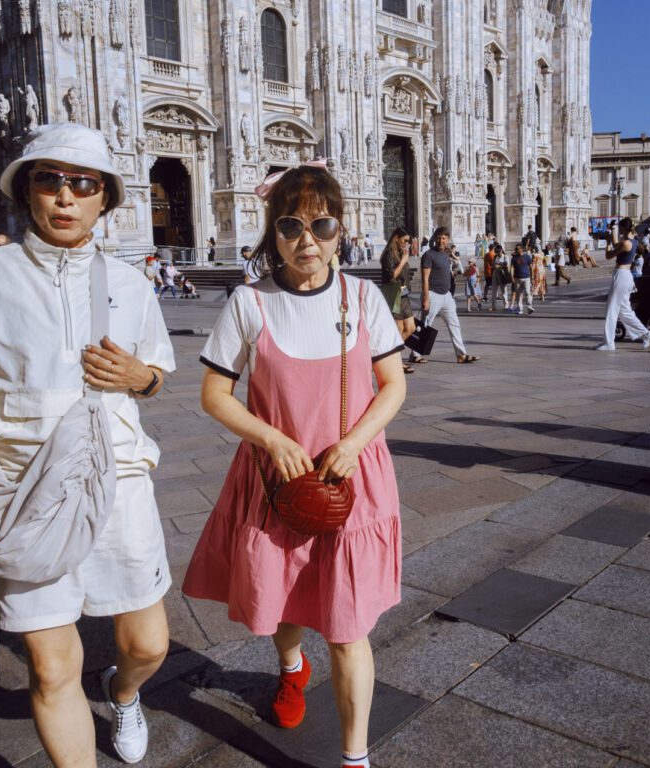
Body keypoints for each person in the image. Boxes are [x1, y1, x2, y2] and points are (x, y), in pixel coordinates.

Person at [0, 123, 176, 766]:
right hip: (16, 479)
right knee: (52, 667)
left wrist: (143, 379)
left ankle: (122, 690)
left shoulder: (132, 283)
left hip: (117, 477)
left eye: (82, 183)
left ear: (105, 199)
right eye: (48, 179)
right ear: (26, 191)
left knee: (148, 644)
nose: (65, 196)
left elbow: (156, 373)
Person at [182, 163, 406, 768]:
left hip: (350, 479)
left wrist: (356, 441)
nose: (307, 239)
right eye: (291, 225)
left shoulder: (363, 298)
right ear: (273, 232)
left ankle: (355, 758)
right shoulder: (249, 303)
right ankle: (289, 667)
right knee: (283, 603)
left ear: (340, 229)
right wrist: (271, 439)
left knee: (347, 625)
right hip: (273, 480)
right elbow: (214, 394)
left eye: (321, 224)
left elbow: (392, 385)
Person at [410, 226, 478, 364]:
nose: (441, 240)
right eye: (439, 238)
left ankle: (461, 355)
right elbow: (425, 278)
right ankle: (415, 354)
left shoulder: (445, 255)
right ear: (435, 239)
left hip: (446, 296)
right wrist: (425, 297)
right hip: (433, 294)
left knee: (454, 324)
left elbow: (448, 272)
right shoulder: (428, 255)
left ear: (447, 239)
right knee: (424, 324)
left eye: (444, 238)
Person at [596, 217, 650, 351]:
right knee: (625, 311)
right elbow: (617, 244)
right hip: (626, 276)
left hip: (621, 275)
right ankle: (646, 334)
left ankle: (609, 342)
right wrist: (611, 236)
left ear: (624, 228)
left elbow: (609, 255)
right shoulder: (633, 240)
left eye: (620, 228)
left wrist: (607, 242)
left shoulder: (626, 243)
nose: (619, 230)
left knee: (611, 309)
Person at [379, 226, 416, 374]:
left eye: (408, 241)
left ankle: (391, 356)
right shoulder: (388, 254)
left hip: (404, 293)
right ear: (396, 238)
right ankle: (396, 361)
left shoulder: (401, 252)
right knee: (399, 329)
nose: (406, 243)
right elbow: (391, 276)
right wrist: (403, 262)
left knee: (411, 328)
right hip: (393, 293)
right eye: (404, 240)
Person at [510, 243, 534, 315]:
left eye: (517, 249)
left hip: (526, 277)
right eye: (516, 249)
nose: (516, 250)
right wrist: (511, 277)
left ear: (521, 249)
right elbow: (511, 267)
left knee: (527, 292)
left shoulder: (527, 257)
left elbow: (531, 267)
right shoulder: (514, 258)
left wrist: (532, 277)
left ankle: (529, 307)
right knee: (518, 294)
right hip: (517, 278)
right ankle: (520, 309)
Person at [491, 245, 512, 311]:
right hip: (495, 274)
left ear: (501, 250)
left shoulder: (505, 256)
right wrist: (495, 266)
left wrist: (499, 265)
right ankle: (493, 306)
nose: (497, 253)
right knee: (494, 290)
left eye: (498, 252)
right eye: (496, 252)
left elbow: (506, 264)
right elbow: (492, 265)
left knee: (504, 291)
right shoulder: (495, 257)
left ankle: (506, 305)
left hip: (502, 274)